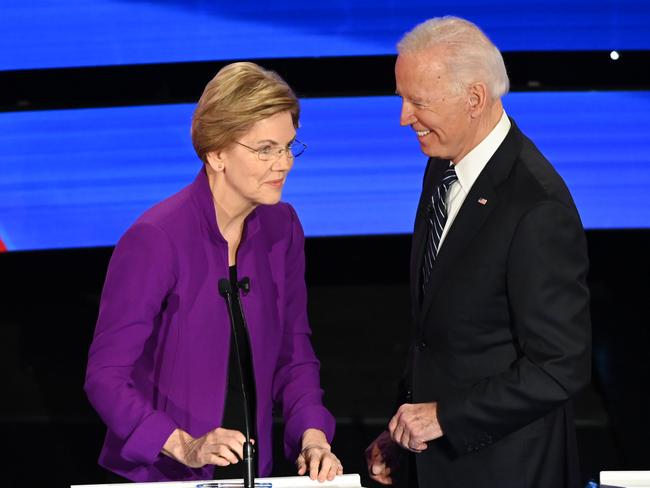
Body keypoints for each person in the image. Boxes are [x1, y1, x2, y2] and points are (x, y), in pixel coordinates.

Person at [85, 62, 343, 483]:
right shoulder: (156, 238)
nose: (284, 164)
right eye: (266, 149)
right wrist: (182, 444)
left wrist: (313, 435)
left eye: (288, 147)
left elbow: (294, 353)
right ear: (217, 153)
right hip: (161, 475)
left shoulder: (283, 227)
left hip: (251, 474)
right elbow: (105, 378)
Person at [365, 16, 591, 488]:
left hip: (505, 470)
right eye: (402, 98)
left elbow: (559, 366)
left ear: (474, 99)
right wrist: (402, 430)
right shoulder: (443, 167)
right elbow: (439, 332)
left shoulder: (536, 206)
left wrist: (444, 417)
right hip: (435, 464)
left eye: (418, 102)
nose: (404, 117)